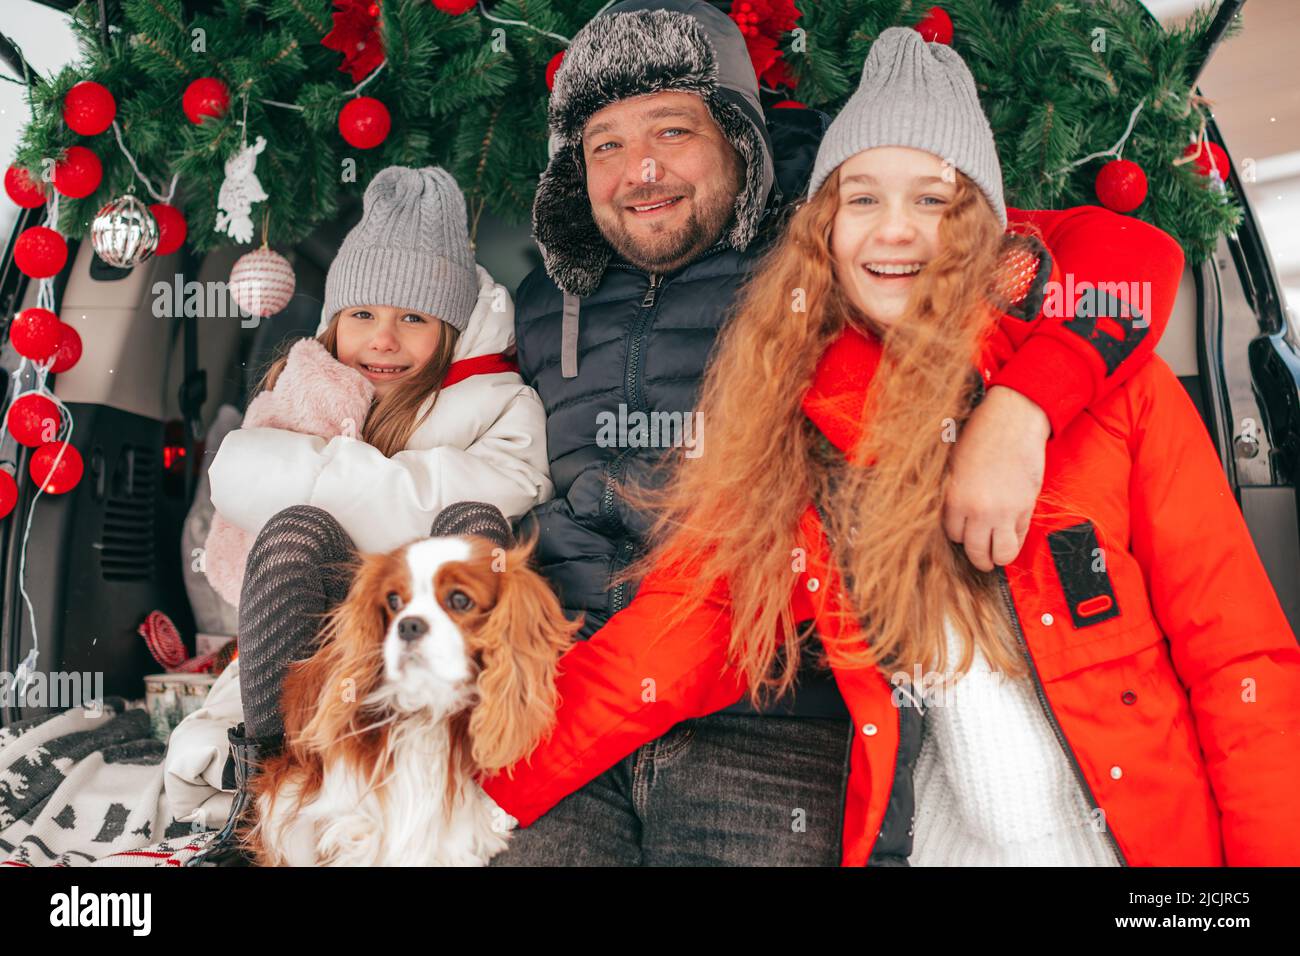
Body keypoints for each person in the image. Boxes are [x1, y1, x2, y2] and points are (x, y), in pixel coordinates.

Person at [487, 5, 1193, 865]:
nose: (640, 169)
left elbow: (1124, 255)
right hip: (563, 688)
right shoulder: (539, 298)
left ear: (739, 138)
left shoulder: (834, 244)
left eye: (672, 130)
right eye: (605, 144)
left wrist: (1023, 409)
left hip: (767, 711)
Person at [163, 166, 552, 865]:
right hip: (318, 642)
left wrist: (314, 478)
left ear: (452, 329)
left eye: (414, 319)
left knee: (472, 525)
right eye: (364, 315)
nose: (383, 340)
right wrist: (380, 495)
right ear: (334, 321)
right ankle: (271, 788)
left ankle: (467, 772)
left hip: (433, 639)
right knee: (294, 532)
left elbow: (488, 501)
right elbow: (233, 475)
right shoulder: (304, 389)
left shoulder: (501, 403)